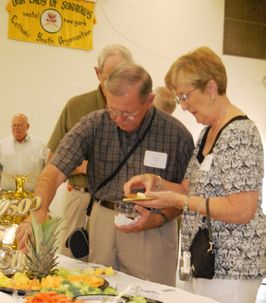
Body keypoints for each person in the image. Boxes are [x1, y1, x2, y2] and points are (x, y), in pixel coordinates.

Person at [16, 63, 194, 286]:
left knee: (150, 301)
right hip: (102, 223)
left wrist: (159, 218)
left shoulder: (176, 135)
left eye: (128, 113)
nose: (118, 119)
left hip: (153, 230)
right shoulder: (94, 123)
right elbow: (53, 171)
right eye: (113, 110)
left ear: (149, 100)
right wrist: (39, 210)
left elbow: (188, 196)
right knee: (96, 294)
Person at [123, 47, 265, 303]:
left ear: (211, 88)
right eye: (180, 99)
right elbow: (189, 188)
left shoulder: (241, 134)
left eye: (186, 96)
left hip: (231, 266)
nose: (184, 106)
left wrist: (180, 200)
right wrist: (156, 182)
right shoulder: (207, 134)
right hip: (203, 260)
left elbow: (243, 209)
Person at [47, 44, 134, 259]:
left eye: (123, 75)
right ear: (98, 73)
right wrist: (91, 167)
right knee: (72, 265)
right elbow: (52, 160)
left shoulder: (139, 110)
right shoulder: (77, 106)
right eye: (111, 76)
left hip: (123, 207)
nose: (117, 83)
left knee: (115, 271)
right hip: (81, 199)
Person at [0, 114, 47, 192]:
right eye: (14, 126)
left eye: (19, 125)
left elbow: (48, 168)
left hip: (33, 194)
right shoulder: (2, 145)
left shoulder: (40, 144)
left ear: (28, 126)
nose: (16, 128)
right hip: (7, 194)